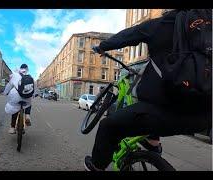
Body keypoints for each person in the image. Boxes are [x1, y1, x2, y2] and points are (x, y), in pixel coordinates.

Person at [84, 9, 212, 171]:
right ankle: (153, 143)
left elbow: (128, 35)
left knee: (108, 126)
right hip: (205, 118)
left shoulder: (161, 24)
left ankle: (96, 166)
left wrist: (102, 46)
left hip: (167, 113)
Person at [3, 64, 35, 134]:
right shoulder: (30, 77)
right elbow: (34, 89)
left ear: (20, 68)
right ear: (27, 69)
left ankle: (12, 128)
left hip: (16, 96)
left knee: (15, 110)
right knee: (29, 103)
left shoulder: (15, 75)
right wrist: (35, 94)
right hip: (26, 97)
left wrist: (5, 93)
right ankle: (27, 115)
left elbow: (9, 85)